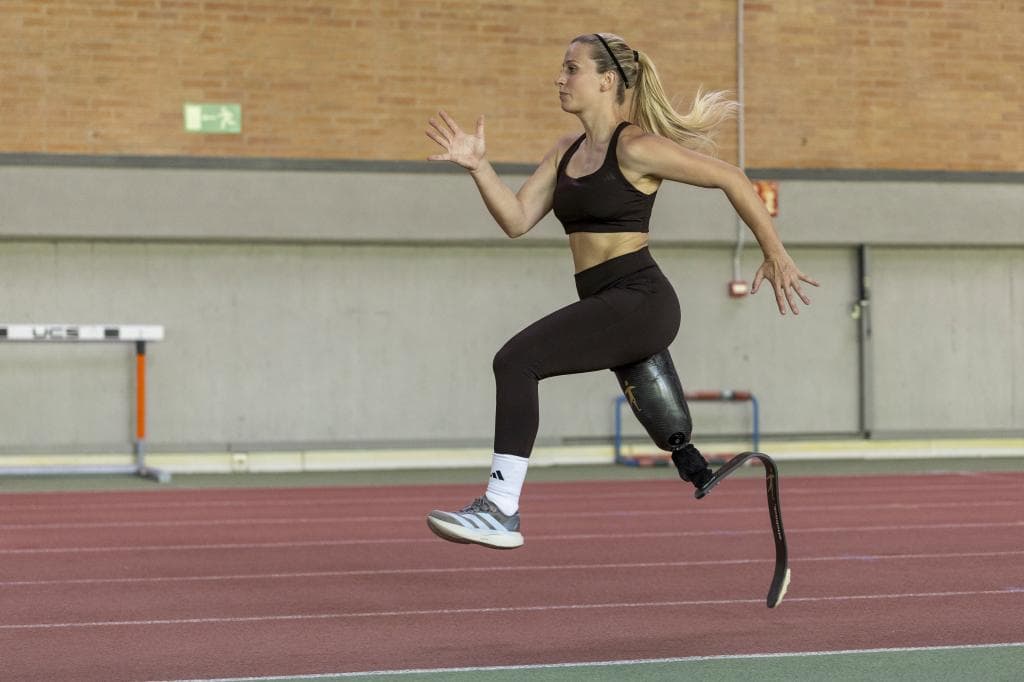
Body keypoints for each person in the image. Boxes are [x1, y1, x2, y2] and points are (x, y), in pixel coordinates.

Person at [424, 33, 818, 550]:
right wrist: (479, 167)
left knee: (515, 361)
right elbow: (517, 220)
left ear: (606, 81)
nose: (560, 79)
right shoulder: (565, 151)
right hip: (608, 302)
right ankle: (692, 464)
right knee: (633, 396)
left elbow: (732, 177)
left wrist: (775, 251)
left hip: (640, 299)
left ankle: (500, 508)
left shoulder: (636, 147)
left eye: (571, 69)